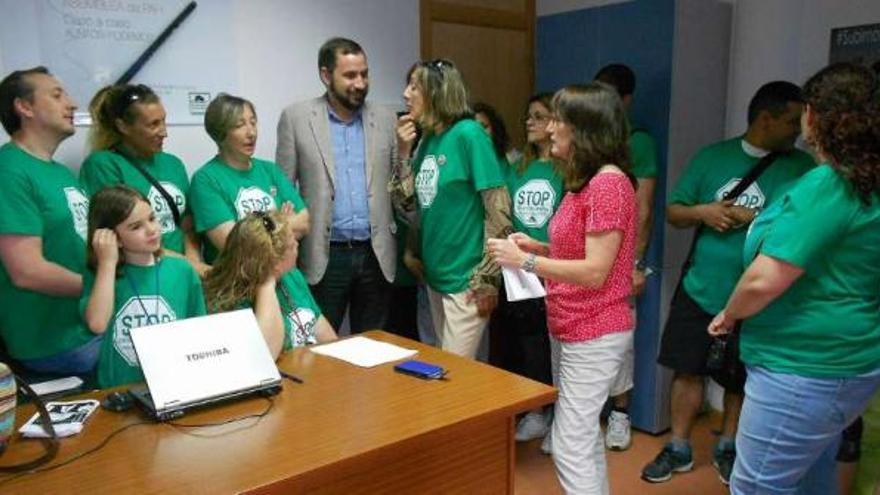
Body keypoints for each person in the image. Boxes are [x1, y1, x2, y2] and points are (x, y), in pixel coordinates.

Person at [708, 62, 880, 494]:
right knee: (810, 478)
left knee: (756, 486)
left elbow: (763, 280)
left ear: (814, 115)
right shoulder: (868, 178)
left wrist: (729, 315)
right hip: (849, 362)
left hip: (802, 366)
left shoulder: (829, 184)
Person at [642, 81, 815, 486]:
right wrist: (704, 211)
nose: (798, 132)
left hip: (759, 298)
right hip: (701, 285)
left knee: (740, 375)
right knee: (686, 369)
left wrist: (753, 219)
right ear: (765, 119)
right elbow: (674, 211)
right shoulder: (712, 158)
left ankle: (728, 447)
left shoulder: (802, 169)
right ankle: (679, 447)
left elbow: (805, 223)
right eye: (791, 122)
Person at [489, 83, 637, 495]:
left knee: (570, 443)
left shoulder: (608, 184)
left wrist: (527, 262)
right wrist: (539, 247)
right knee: (581, 435)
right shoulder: (586, 181)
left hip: (595, 329)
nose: (550, 128)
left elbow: (595, 272)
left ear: (584, 128)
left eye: (558, 119)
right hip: (572, 325)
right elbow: (581, 252)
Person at [276, 37, 398, 334]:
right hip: (324, 257)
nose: (360, 83)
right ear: (326, 75)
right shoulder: (297, 118)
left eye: (364, 74)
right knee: (320, 349)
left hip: (375, 255)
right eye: (350, 75)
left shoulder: (385, 118)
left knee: (375, 347)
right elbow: (283, 188)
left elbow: (398, 183)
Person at [393, 59, 511, 359]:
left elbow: (498, 208)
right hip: (435, 276)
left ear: (436, 92)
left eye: (414, 87)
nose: (406, 94)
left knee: (455, 375)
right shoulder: (431, 138)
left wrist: (487, 279)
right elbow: (407, 205)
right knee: (444, 367)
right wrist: (404, 154)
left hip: (466, 278)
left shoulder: (469, 134)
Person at [0, 67, 99, 376]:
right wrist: (102, 291)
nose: (71, 104)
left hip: (87, 325)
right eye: (57, 96)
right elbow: (27, 271)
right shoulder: (10, 169)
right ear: (24, 107)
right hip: (56, 343)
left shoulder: (60, 173)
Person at [82, 185, 206, 388]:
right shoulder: (103, 274)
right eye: (135, 227)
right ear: (112, 237)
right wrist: (107, 264)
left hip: (174, 382)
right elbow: (97, 323)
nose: (151, 230)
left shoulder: (182, 270)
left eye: (152, 218)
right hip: (120, 387)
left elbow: (198, 330)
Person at [595, 63, 659, 451]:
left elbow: (644, 208)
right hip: (587, 260)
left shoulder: (639, 142)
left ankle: (620, 414)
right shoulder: (590, 142)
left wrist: (636, 263)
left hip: (620, 262)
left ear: (626, 100)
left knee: (621, 343)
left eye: (610, 95)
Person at [492, 93, 561, 442]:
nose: (529, 123)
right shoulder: (517, 167)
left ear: (556, 122)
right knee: (526, 341)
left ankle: (558, 417)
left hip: (555, 266)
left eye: (538, 116)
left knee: (556, 346)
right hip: (518, 270)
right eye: (528, 116)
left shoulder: (566, 169)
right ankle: (535, 411)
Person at [80, 84, 207, 274]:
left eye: (164, 121)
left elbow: (187, 223)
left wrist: (192, 261)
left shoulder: (173, 164)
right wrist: (189, 265)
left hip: (180, 271)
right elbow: (116, 233)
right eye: (153, 124)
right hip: (137, 273)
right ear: (122, 126)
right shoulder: (103, 164)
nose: (164, 132)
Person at [189, 93, 308, 264]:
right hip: (241, 284)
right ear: (220, 133)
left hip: (286, 279)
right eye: (240, 125)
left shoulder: (270, 170)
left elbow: (304, 222)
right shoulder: (205, 179)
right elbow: (234, 245)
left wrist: (257, 232)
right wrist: (281, 221)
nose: (251, 132)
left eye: (253, 122)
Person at [203, 211, 336, 358]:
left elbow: (328, 339)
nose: (297, 245)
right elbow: (265, 355)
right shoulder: (231, 302)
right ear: (274, 260)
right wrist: (267, 282)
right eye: (291, 246)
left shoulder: (292, 276)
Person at [474, 101, 520, 166]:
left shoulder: (513, 159)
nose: (480, 132)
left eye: (484, 126)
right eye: (475, 128)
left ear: (495, 128)